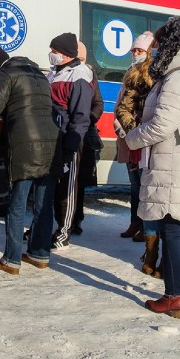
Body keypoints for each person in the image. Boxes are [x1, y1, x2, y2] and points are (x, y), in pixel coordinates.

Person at [124, 16, 180, 319]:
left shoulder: (178, 78)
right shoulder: (179, 75)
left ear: (174, 46)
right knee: (178, 229)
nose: (155, 50)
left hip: (175, 163)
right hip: (177, 161)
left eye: (159, 45)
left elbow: (162, 124)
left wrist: (131, 139)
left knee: (171, 231)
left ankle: (174, 296)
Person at [0, 46, 59, 274]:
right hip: (51, 144)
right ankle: (40, 254)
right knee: (43, 205)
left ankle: (11, 259)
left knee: (17, 203)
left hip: (25, 145)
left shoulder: (6, 74)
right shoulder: (40, 76)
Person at [114, 32, 162, 277]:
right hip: (133, 139)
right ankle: (140, 230)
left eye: (139, 50)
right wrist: (125, 127)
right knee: (138, 188)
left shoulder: (156, 75)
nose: (135, 54)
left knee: (149, 192)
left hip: (149, 140)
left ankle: (148, 235)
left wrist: (137, 133)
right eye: (133, 50)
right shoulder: (131, 73)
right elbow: (123, 105)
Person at [47, 32, 94, 250]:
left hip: (69, 140)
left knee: (67, 190)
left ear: (65, 55)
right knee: (52, 189)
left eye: (55, 52)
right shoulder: (54, 73)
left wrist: (71, 146)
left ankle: (64, 232)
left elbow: (81, 116)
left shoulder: (79, 76)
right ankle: (48, 228)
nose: (51, 55)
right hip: (51, 139)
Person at [73, 41, 103, 236]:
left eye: (83, 59)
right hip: (67, 133)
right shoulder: (62, 75)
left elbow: (98, 103)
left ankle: (77, 219)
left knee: (80, 183)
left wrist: (89, 118)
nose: (80, 63)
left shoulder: (91, 75)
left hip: (85, 135)